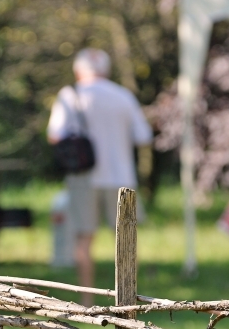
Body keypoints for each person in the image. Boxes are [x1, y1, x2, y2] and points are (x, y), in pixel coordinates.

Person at [47, 48, 153, 307]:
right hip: (122, 177)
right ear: (106, 70)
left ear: (77, 70)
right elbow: (144, 136)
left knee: (83, 238)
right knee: (125, 239)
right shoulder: (123, 95)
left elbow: (54, 135)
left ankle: (86, 299)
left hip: (85, 177)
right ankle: (127, 299)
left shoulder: (69, 96)